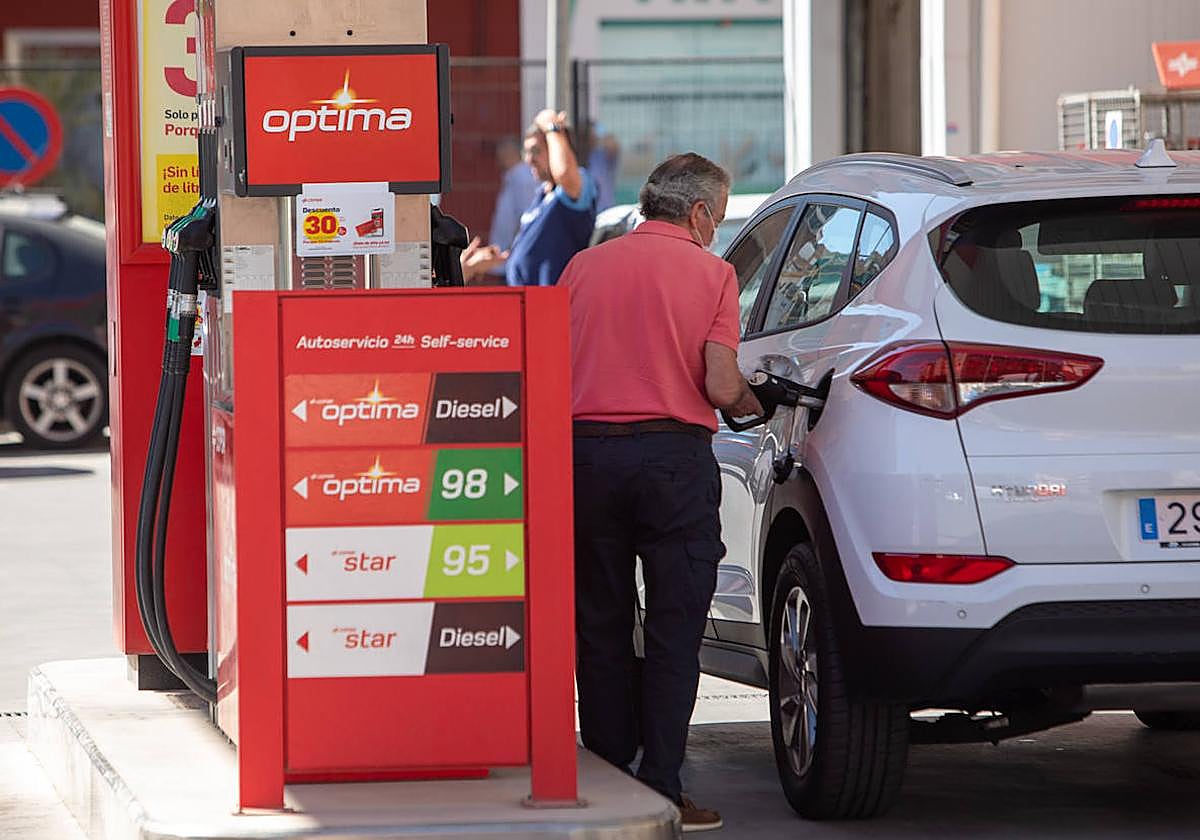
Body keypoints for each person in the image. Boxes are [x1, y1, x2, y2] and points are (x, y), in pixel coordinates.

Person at [560, 153, 763, 832]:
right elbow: (719, 382)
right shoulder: (714, 274)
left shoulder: (585, 268)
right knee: (676, 629)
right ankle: (665, 788)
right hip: (673, 461)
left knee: (601, 623)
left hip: (585, 456)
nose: (719, 229)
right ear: (700, 213)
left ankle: (611, 780)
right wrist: (755, 405)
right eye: (721, 216)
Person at [504, 109, 597, 286]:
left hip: (554, 308)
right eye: (527, 152)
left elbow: (563, 173)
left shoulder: (578, 184)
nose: (529, 159)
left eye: (536, 151)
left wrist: (551, 127)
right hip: (528, 305)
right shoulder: (542, 195)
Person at [488, 136, 540, 258]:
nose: (499, 157)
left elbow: (525, 215)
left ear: (512, 152)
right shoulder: (513, 176)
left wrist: (515, 250)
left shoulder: (522, 178)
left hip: (512, 254)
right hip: (506, 254)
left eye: (502, 151)